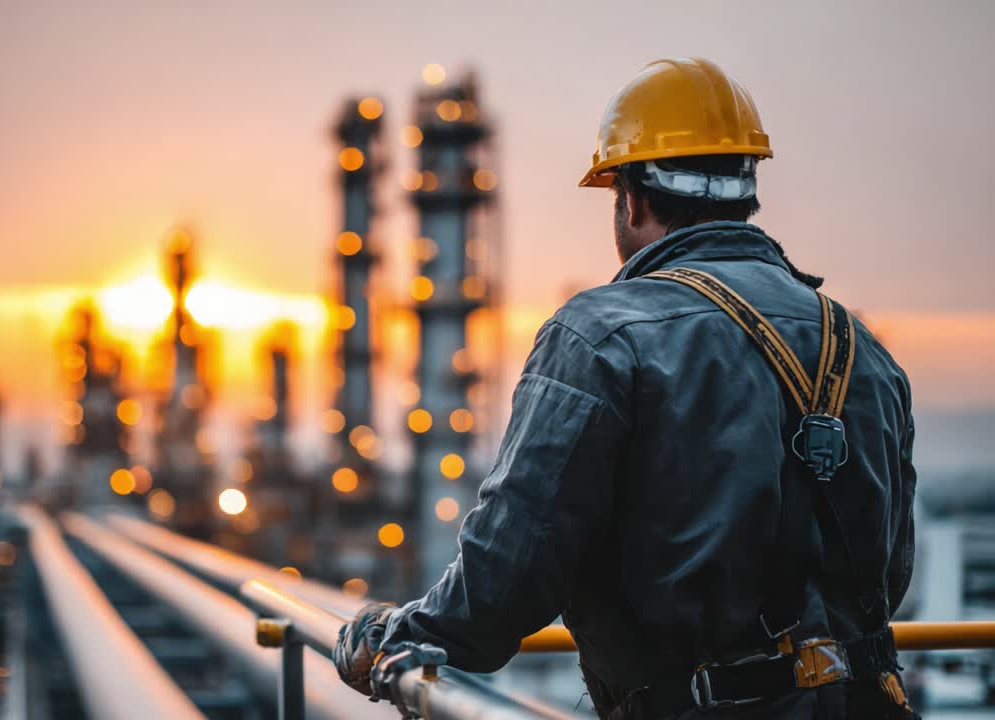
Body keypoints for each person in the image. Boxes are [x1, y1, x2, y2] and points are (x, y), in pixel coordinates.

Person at [334, 57, 918, 719]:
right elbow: (890, 573)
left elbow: (508, 578)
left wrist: (400, 636)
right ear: (747, 189)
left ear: (632, 196)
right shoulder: (858, 345)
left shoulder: (602, 336)